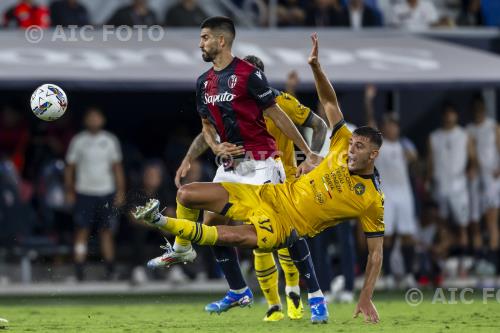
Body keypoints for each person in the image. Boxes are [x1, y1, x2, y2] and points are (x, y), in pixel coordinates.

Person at [134, 33, 384, 324]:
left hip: (277, 183)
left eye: (359, 147)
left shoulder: (371, 199)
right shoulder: (340, 140)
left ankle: (304, 295)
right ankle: (228, 281)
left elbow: (375, 254)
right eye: (352, 144)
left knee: (249, 237)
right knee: (189, 197)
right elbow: (329, 103)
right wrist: (316, 66)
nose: (351, 150)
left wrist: (306, 157)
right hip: (257, 187)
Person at [147, 16, 326, 323]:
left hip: (263, 165)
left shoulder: (249, 74)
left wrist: (307, 152)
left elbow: (279, 116)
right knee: (197, 207)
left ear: (222, 41)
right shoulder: (203, 82)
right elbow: (206, 127)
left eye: (204, 37)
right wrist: (215, 148)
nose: (200, 43)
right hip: (229, 168)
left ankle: (316, 296)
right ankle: (236, 288)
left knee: (285, 235)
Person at [365, 85, 418, 289]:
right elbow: (370, 123)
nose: (391, 128)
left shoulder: (406, 145)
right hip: (385, 195)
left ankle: (409, 275)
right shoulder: (379, 145)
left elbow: (417, 164)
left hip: (404, 195)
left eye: (394, 125)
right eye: (388, 125)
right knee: (384, 236)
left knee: (407, 235)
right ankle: (385, 274)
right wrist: (369, 101)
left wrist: (414, 160)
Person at [65, 108, 126, 281]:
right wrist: (69, 190)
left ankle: (110, 269)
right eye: (90, 117)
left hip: (106, 192)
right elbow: (70, 167)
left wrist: (120, 191)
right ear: (85, 120)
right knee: (82, 231)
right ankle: (78, 271)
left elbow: (117, 168)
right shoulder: (78, 140)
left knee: (106, 231)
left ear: (102, 119)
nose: (94, 120)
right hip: (84, 192)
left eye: (96, 117)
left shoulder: (109, 140)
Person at [427, 103, 476, 277]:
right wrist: (429, 182)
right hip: (441, 187)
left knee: (462, 226)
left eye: (452, 114)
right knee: (443, 228)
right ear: (443, 116)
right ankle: (446, 265)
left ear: (456, 115)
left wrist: (471, 169)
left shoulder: (464, 135)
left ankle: (463, 265)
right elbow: (431, 163)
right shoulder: (434, 137)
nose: (449, 117)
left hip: (459, 187)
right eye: (446, 114)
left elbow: (472, 158)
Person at [466, 95, 499, 276]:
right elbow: (470, 152)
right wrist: (472, 165)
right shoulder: (469, 129)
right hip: (476, 179)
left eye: (480, 107)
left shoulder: (493, 126)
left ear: (484, 109)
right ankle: (479, 260)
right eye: (475, 108)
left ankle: (493, 261)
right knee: (475, 221)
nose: (478, 111)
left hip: (491, 178)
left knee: (491, 221)